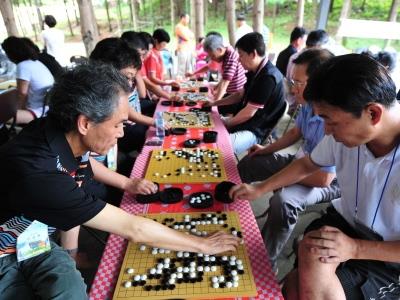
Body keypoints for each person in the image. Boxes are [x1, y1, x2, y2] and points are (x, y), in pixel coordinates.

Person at [0, 63, 240, 299]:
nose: (122, 133)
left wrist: (126, 183)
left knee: (70, 290)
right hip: (4, 252)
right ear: (85, 123)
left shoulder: (59, 130)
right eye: (117, 124)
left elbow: (80, 163)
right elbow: (132, 228)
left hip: (35, 238)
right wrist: (202, 245)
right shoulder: (40, 176)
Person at [230, 54, 400, 299]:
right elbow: (307, 164)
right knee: (299, 277)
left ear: (373, 114)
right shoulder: (345, 134)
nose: (327, 132)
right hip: (345, 223)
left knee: (303, 277)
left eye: (330, 121)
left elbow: (318, 175)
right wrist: (260, 189)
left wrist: (356, 248)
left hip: (387, 257)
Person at [237, 49, 340, 271]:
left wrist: (268, 185)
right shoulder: (308, 105)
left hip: (328, 180)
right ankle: (232, 219)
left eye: (299, 82)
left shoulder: (334, 119)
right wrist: (265, 149)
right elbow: (295, 134)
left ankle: (266, 262)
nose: (293, 89)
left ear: (320, 82)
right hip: (302, 162)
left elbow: (323, 179)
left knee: (283, 201)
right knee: (251, 162)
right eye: (292, 81)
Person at [205, 33, 286, 155]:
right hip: (247, 121)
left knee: (218, 147)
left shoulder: (268, 77)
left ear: (253, 54)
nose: (239, 59)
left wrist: (225, 123)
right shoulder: (255, 71)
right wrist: (214, 103)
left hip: (256, 130)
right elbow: (238, 95)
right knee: (209, 124)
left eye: (241, 55)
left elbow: (248, 114)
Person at [2, 36, 54, 124]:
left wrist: (20, 109)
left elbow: (22, 93)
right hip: (48, 107)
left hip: (37, 112)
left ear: (11, 53)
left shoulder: (22, 66)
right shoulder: (36, 62)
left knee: (3, 114)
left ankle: (8, 135)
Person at [202, 34, 246, 108]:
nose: (212, 59)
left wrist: (214, 103)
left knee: (216, 108)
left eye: (213, 56)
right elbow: (225, 77)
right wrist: (218, 86)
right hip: (231, 93)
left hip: (236, 97)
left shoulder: (230, 58)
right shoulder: (227, 52)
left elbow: (225, 83)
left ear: (220, 49)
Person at [175, 13, 195, 77]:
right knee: (181, 67)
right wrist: (189, 36)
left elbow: (193, 35)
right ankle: (180, 82)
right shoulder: (178, 27)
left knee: (187, 67)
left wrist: (189, 36)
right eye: (187, 19)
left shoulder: (185, 27)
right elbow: (186, 37)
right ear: (182, 18)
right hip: (182, 49)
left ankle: (186, 81)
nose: (188, 20)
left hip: (188, 49)